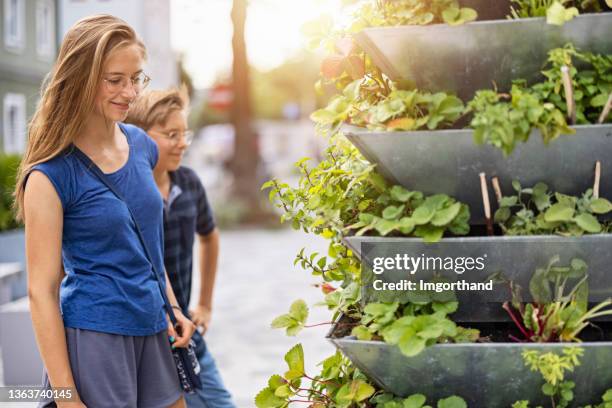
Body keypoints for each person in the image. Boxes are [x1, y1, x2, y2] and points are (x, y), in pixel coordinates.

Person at [14, 15, 195, 408]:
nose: (129, 92)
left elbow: (149, 243)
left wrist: (174, 305)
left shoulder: (143, 146)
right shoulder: (50, 175)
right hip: (97, 339)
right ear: (81, 76)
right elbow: (41, 293)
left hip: (153, 327)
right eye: (115, 80)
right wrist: (66, 398)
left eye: (136, 78)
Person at [126, 88, 236, 408]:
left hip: (186, 331)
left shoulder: (188, 182)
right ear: (139, 136)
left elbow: (209, 235)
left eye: (184, 133)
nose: (182, 142)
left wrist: (204, 304)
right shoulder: (129, 190)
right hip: (147, 339)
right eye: (171, 134)